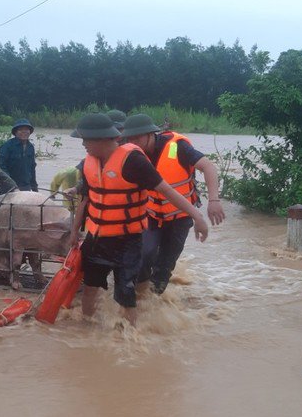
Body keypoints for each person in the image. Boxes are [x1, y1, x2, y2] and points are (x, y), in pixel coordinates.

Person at [68, 113, 209, 326]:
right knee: (89, 287)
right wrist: (74, 230)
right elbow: (86, 199)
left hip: (127, 241)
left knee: (126, 293)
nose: (83, 145)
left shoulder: (133, 161)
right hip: (96, 239)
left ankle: (130, 340)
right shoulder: (90, 163)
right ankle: (86, 331)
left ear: (102, 139)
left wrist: (198, 217)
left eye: (86, 139)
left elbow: (167, 190)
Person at [121, 114, 225, 294]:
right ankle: (140, 297)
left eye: (137, 137)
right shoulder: (132, 153)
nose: (133, 142)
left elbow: (208, 167)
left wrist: (214, 200)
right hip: (152, 215)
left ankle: (155, 303)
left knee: (164, 267)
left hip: (180, 217)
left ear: (150, 134)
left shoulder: (178, 147)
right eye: (130, 138)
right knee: (144, 255)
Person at [0, 118, 38, 193]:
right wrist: (10, 184)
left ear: (30, 132)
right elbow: (1, 166)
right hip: (7, 188)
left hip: (25, 187)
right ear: (15, 132)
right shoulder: (7, 146)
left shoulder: (30, 147)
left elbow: (32, 169)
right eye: (21, 129)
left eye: (26, 129)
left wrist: (34, 188)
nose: (24, 132)